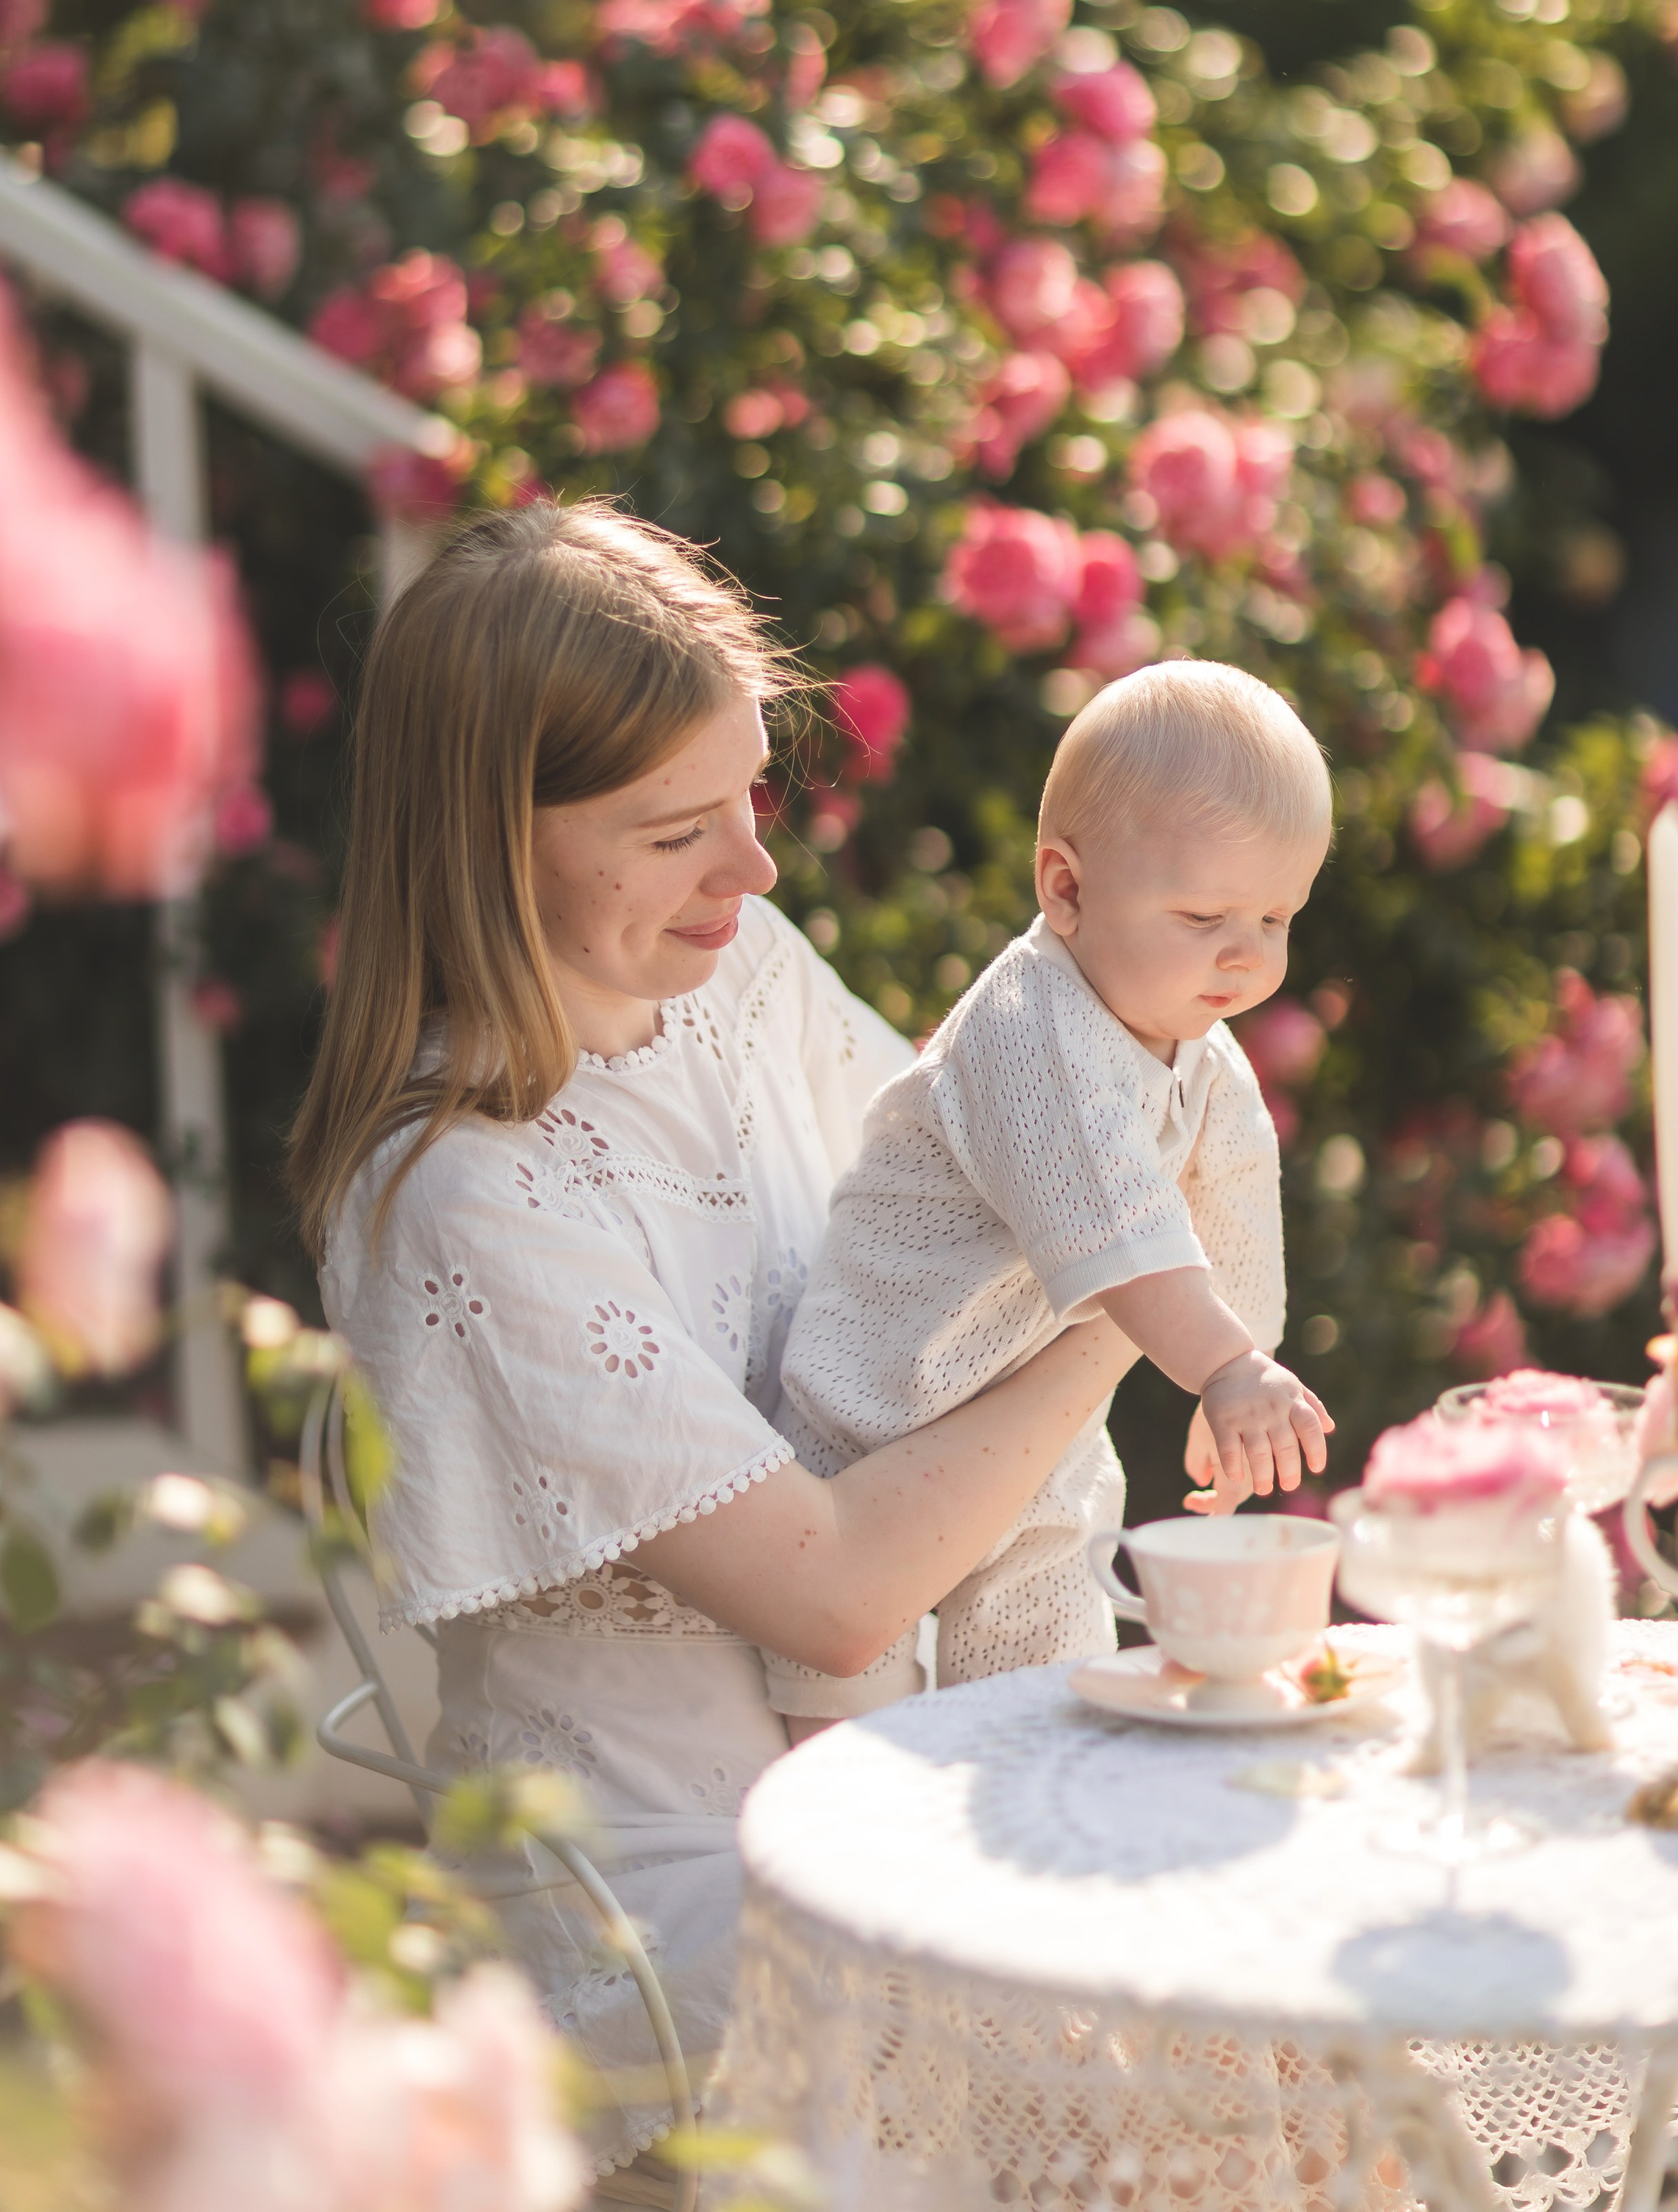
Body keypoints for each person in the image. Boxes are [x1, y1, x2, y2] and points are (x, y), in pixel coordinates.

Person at [288, 501, 1140, 2197]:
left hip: (900, 1759)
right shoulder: (456, 1194)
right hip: (670, 1874)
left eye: (750, 793)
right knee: (1129, 2037)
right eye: (676, 827)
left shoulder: (726, 969)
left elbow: (961, 1201)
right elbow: (831, 1591)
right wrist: (1115, 1321)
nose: (750, 868)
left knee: (1240, 1916)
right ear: (491, 844)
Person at [766, 660, 1335, 1729]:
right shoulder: (1032, 1026)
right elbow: (1120, 1219)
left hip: (1028, 1437)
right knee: (843, 1732)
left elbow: (1233, 1216)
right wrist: (1220, 1362)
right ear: (1065, 888)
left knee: (1043, 1683)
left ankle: (1019, 1846)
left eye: (1278, 915)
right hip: (874, 1416)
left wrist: (1235, 1381)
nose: (1247, 954)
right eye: (1206, 912)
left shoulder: (1201, 1057)